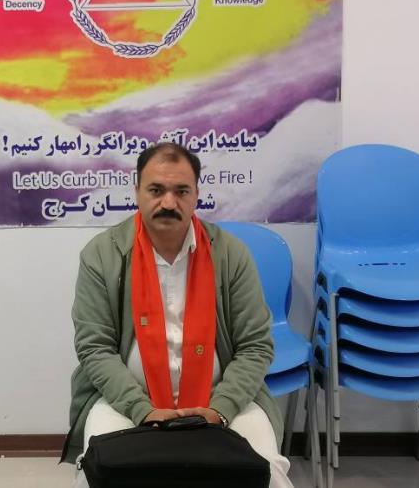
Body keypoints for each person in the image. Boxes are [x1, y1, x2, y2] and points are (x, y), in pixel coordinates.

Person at [62, 143, 292, 488]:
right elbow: (95, 348)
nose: (168, 203)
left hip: (222, 399)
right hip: (125, 400)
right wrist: (142, 410)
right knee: (95, 476)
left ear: (196, 195)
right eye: (156, 190)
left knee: (267, 473)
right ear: (137, 192)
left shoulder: (230, 254)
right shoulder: (102, 255)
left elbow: (255, 346)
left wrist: (220, 409)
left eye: (181, 191)